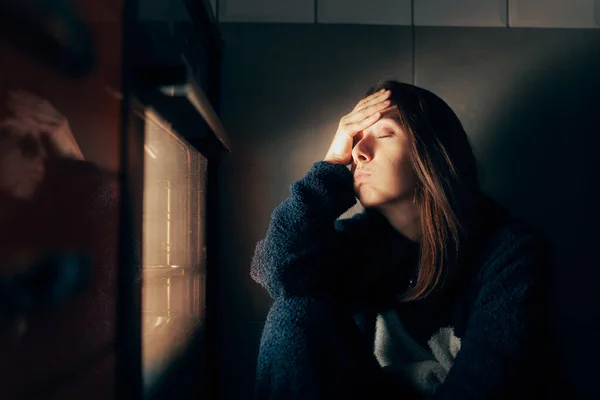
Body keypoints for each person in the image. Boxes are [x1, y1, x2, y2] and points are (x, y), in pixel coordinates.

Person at [250, 80, 552, 399]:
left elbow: (489, 386)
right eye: (355, 141)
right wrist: (329, 169)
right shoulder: (357, 244)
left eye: (383, 135)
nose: (358, 153)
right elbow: (277, 272)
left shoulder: (510, 254)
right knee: (295, 311)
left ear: (431, 153)